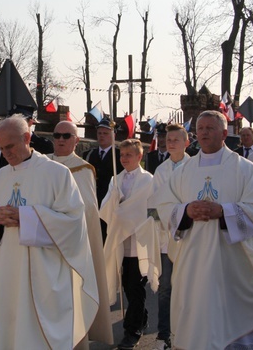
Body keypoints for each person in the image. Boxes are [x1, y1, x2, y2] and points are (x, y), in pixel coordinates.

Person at [150, 111, 253, 349]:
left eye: (210, 128)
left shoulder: (244, 169)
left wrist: (224, 212)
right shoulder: (184, 171)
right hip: (194, 260)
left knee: (236, 319)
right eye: (201, 128)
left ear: (225, 134)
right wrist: (186, 211)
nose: (204, 132)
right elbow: (164, 206)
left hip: (235, 259)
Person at [0, 115, 98, 349]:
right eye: (0, 148)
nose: (5, 153)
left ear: (27, 138)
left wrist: (26, 217)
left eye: (9, 146)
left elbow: (73, 223)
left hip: (43, 276)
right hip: (6, 273)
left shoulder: (57, 174)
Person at [47, 121, 113, 347]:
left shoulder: (83, 169)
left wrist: (55, 216)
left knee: (70, 300)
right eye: (57, 135)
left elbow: (87, 211)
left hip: (71, 247)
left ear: (76, 140)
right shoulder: (41, 165)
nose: (61, 140)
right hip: (43, 244)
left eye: (67, 136)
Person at [99, 138, 155, 350]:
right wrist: (114, 201)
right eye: (121, 155)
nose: (123, 159)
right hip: (119, 240)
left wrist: (124, 210)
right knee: (128, 287)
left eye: (128, 155)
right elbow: (105, 208)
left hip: (138, 240)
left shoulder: (148, 180)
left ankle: (131, 332)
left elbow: (147, 208)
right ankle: (141, 318)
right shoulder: (116, 179)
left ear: (139, 157)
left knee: (135, 286)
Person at [148, 123, 190, 350]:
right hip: (167, 237)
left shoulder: (195, 166)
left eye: (176, 139)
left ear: (186, 142)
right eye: (169, 139)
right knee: (166, 287)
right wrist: (160, 222)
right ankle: (164, 335)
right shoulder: (161, 170)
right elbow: (153, 204)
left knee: (190, 286)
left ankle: (187, 332)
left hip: (190, 236)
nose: (171, 142)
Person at [83, 116, 122, 241]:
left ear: (113, 135)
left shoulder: (119, 156)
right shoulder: (88, 155)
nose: (101, 136)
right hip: (92, 203)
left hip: (110, 205)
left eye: (105, 133)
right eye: (99, 133)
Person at [0, 104, 53, 171]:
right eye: (12, 119)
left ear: (30, 122)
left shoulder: (43, 144)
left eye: (21, 120)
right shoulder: (5, 145)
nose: (16, 123)